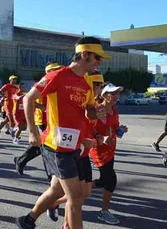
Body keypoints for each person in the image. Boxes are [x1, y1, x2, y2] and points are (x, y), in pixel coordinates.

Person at [16, 36, 110, 229]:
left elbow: (88, 110)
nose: (99, 62)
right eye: (97, 57)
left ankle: (28, 220)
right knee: (75, 199)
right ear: (84, 54)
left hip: (74, 146)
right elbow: (28, 99)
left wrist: (97, 111)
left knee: (56, 191)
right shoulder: (58, 75)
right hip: (56, 146)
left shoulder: (86, 83)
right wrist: (32, 132)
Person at [45, 69, 105, 223]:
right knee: (73, 197)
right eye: (98, 85)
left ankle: (53, 206)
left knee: (81, 194)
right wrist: (84, 139)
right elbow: (74, 123)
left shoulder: (96, 104)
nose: (100, 89)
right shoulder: (81, 101)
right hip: (72, 151)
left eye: (102, 86)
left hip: (82, 151)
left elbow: (93, 126)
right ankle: (47, 214)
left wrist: (98, 135)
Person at [14, 62, 63, 175]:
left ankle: (21, 160)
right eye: (55, 70)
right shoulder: (42, 84)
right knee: (45, 147)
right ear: (48, 72)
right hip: (42, 120)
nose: (58, 72)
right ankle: (52, 177)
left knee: (43, 146)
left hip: (52, 120)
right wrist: (43, 107)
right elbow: (30, 100)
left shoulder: (58, 85)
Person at [90, 83, 127, 225]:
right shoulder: (98, 110)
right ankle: (104, 212)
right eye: (113, 93)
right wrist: (102, 137)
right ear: (104, 95)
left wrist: (121, 130)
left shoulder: (114, 110)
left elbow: (114, 129)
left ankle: (78, 189)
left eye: (118, 93)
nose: (116, 96)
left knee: (104, 181)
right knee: (111, 180)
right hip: (99, 149)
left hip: (111, 149)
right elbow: (90, 128)